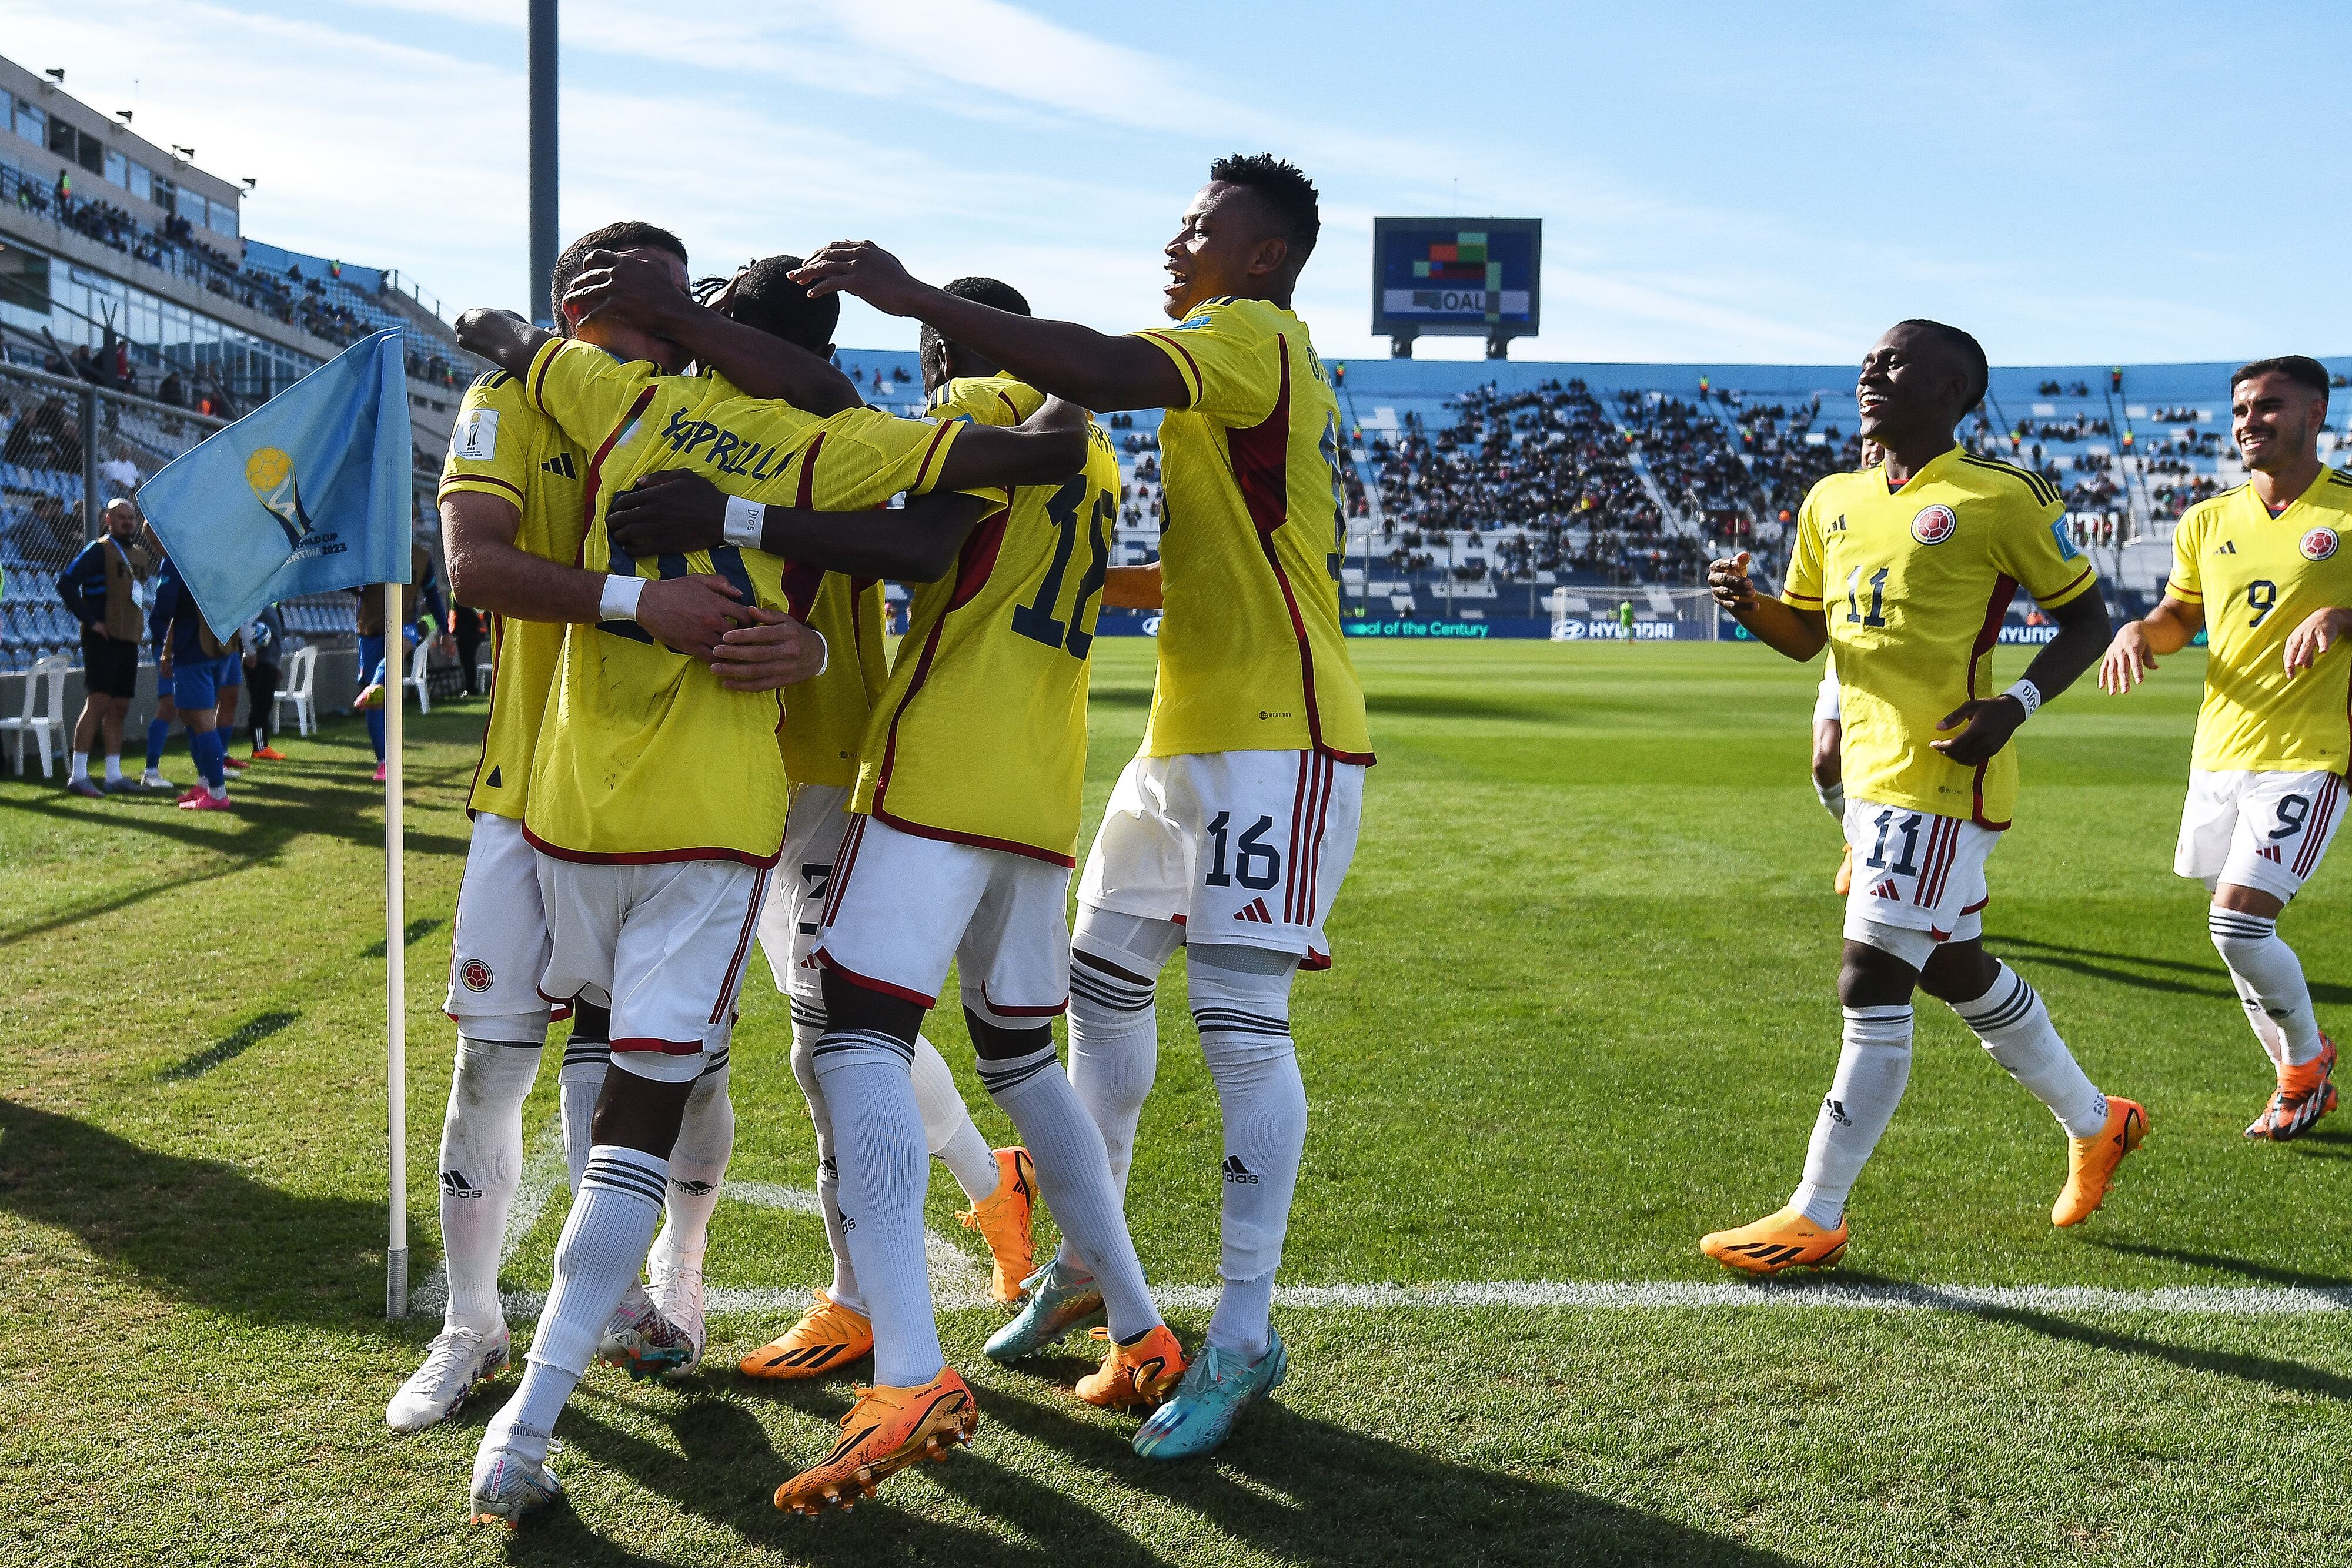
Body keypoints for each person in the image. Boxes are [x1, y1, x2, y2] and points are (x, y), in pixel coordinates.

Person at [450, 256, 1082, 1527]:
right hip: (735, 789)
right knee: (792, 1046)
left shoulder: (635, 404)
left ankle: (827, 1279)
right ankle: (692, 1322)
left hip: (653, 787)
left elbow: (499, 331)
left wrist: (729, 523)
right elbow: (1010, 468)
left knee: (786, 1041)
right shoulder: (823, 440)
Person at [791, 152, 1372, 1459]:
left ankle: (1242, 1333)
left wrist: (915, 295)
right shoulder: (1240, 354)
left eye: (1200, 226)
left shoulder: (1252, 332)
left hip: (1278, 736)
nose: (1176, 241)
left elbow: (1099, 371)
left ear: (1264, 254)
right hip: (1188, 734)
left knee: (1239, 1027)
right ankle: (1087, 1263)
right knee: (1095, 992)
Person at [596, 270, 1178, 1513]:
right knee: (1021, 1059)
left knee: (850, 1040)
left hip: (936, 765)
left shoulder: (970, 407)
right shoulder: (1088, 445)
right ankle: (1137, 1326)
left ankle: (903, 1362)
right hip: (1038, 780)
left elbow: (919, 540)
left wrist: (730, 509)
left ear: (935, 352)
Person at [559, 250, 1046, 1387]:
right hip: (703, 763)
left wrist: (811, 639)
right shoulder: (688, 412)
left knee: (830, 1037)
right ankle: (985, 1188)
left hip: (815, 761)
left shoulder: (835, 427)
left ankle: (859, 1294)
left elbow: (893, 547)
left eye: (732, 332)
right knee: (735, 1032)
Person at [385, 221, 822, 1440]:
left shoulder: (706, 408)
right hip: (529, 789)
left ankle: (671, 1275)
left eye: (685, 310)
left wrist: (811, 645)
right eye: (651, 306)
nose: (675, 333)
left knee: (666, 1063)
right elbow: (476, 570)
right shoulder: (507, 400)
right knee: (491, 1066)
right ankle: (471, 1323)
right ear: (580, 306)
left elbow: (802, 563)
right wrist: (640, 603)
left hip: (671, 792)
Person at [1699, 320, 2144, 1276]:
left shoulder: (2000, 496)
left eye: (1894, 360)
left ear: (1951, 390)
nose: (1871, 369)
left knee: (1870, 975)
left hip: (1945, 774)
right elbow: (1806, 636)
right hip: (1871, 777)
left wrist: (2014, 706)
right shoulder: (1833, 498)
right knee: (1953, 966)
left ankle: (1816, 1211)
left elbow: (2088, 619)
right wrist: (1750, 605)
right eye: (1870, 358)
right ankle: (2098, 1120)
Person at [2099, 355, 2351, 1140]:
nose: (2249, 422)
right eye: (2240, 410)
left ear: (2315, 413)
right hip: (2219, 751)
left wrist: (2343, 618)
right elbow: (2180, 616)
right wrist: (2139, 630)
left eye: (2268, 406)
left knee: (2238, 924)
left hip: (2311, 750)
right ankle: (2296, 1082)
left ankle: (2306, 1063)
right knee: (2233, 927)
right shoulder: (2206, 520)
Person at [1813, 439, 1886, 896]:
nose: (1872, 448)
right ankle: (1856, 839)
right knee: (1825, 761)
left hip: (1903, 661)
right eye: (1865, 440)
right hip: (1845, 657)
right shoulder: (1838, 500)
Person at [55, 497, 153, 797]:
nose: (128, 522)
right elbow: (66, 583)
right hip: (103, 639)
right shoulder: (98, 550)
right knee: (97, 703)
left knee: (120, 706)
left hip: (128, 639)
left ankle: (114, 775)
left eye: (131, 518)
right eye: (121, 517)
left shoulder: (140, 555)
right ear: (108, 520)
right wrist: (91, 620)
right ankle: (79, 775)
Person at [149, 551, 241, 811]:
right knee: (190, 715)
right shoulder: (221, 557)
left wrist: (164, 641)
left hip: (193, 648)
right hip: (220, 646)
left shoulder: (177, 559)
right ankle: (204, 783)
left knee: (201, 719)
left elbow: (164, 607)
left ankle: (218, 793)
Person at [242, 603, 287, 761]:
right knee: (260, 705)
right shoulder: (258, 605)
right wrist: (250, 652)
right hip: (260, 662)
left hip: (269, 663)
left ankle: (262, 746)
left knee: (265, 704)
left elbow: (277, 636)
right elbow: (246, 627)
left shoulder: (272, 606)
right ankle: (259, 748)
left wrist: (277, 665)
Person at [450, 601, 485, 697]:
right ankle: (470, 687)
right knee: (468, 663)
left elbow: (474, 620)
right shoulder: (466, 608)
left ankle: (471, 688)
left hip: (468, 638)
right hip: (469, 637)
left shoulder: (463, 607)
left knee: (468, 662)